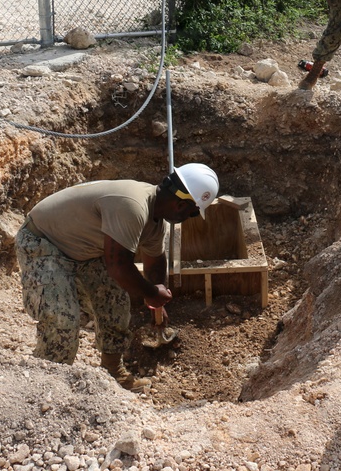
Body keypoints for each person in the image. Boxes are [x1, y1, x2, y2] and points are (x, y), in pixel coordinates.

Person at [14, 163, 220, 391]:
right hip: (45, 241)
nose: (189, 218)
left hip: (85, 249)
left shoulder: (154, 220)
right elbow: (118, 266)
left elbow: (155, 259)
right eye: (192, 213)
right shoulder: (132, 206)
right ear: (181, 204)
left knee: (115, 303)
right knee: (63, 318)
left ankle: (112, 372)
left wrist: (157, 298)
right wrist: (151, 293)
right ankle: (47, 387)